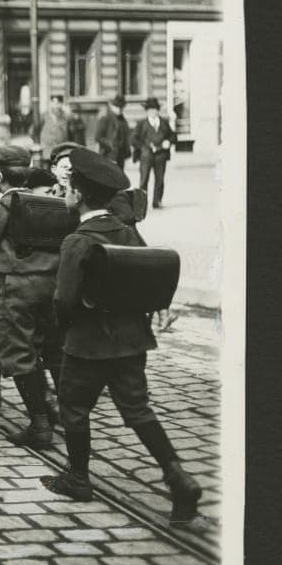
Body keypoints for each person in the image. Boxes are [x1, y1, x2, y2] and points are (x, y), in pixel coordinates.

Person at [40, 148, 202, 526]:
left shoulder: (77, 241)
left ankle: (78, 477)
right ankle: (178, 477)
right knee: (137, 409)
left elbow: (64, 301)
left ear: (76, 194)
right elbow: (147, 278)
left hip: (87, 345)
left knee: (74, 409)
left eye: (68, 189)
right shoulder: (127, 231)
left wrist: (65, 329)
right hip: (131, 342)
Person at [0, 146, 62, 446]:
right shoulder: (51, 200)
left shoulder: (6, 204)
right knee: (50, 348)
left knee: (18, 352)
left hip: (18, 287)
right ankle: (60, 409)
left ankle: (39, 425)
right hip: (52, 284)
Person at [130, 97, 177, 209]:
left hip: (161, 156)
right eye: (150, 110)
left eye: (155, 109)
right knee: (144, 180)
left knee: (160, 180)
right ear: (147, 111)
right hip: (146, 156)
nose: (152, 112)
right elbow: (133, 139)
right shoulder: (142, 124)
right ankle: (141, 205)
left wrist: (168, 141)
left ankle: (157, 201)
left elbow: (173, 136)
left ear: (158, 110)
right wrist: (143, 147)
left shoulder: (164, 122)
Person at [95, 94, 131, 170]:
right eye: (117, 107)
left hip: (120, 155)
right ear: (112, 106)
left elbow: (125, 137)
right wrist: (110, 144)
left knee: (119, 178)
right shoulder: (105, 118)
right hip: (108, 154)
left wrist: (127, 151)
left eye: (121, 107)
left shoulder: (122, 120)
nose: (119, 109)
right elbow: (98, 137)